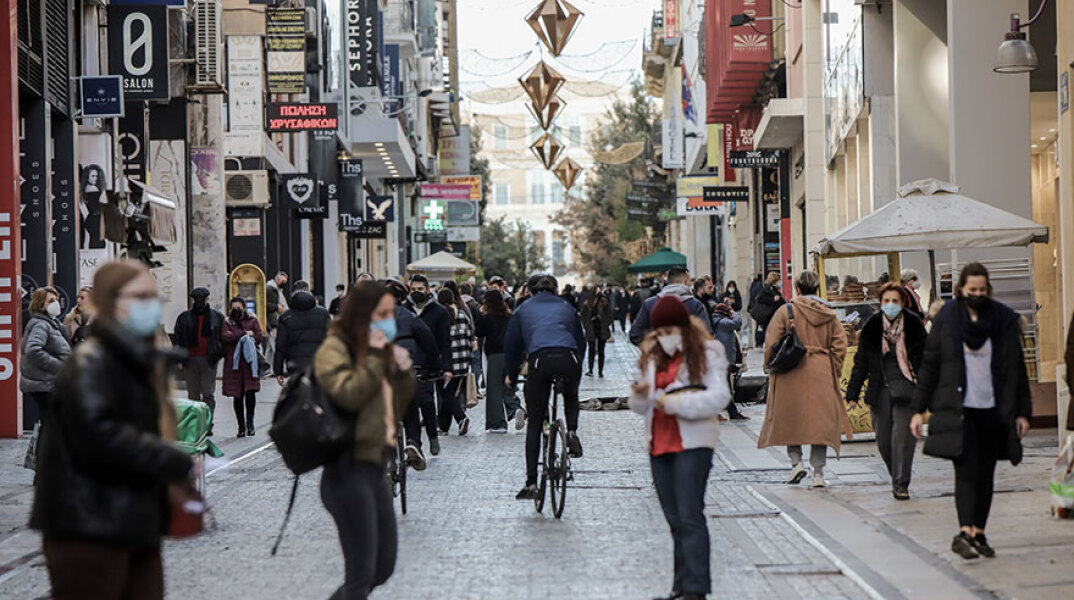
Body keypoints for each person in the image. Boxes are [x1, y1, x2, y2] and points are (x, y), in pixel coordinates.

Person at [31, 260, 195, 600]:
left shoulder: (133, 359)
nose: (149, 304)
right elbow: (99, 434)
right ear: (111, 301)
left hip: (134, 521)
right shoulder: (91, 361)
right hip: (88, 523)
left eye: (152, 296)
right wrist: (168, 459)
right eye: (139, 296)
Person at [909, 262, 1031, 560]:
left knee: (986, 473)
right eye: (971, 289)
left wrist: (1022, 412)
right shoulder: (948, 319)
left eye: (981, 289)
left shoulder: (1002, 320)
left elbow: (1017, 370)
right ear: (961, 289)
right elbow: (931, 365)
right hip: (957, 410)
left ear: (987, 289)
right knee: (965, 471)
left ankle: (978, 532)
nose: (976, 294)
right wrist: (917, 409)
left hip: (993, 410)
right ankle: (965, 531)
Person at [313, 281, 414, 600]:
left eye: (391, 313)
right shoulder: (335, 348)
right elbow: (348, 395)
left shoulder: (379, 348)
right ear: (363, 314)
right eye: (382, 313)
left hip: (375, 467)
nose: (390, 320)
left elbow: (398, 404)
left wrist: (402, 369)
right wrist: (374, 356)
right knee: (360, 575)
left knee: (383, 567)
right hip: (346, 470)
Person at [629, 296, 730, 600]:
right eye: (659, 332)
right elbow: (641, 405)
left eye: (669, 329)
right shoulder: (652, 354)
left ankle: (696, 589)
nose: (664, 336)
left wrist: (674, 403)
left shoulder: (708, 351)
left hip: (694, 440)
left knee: (689, 515)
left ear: (683, 326)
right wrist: (640, 396)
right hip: (659, 441)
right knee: (674, 519)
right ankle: (680, 586)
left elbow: (719, 397)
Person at [757, 271, 850, 488]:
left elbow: (771, 342)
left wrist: (768, 365)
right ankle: (818, 473)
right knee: (821, 424)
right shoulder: (829, 313)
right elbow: (840, 345)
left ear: (797, 289)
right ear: (817, 289)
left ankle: (796, 463)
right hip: (821, 370)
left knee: (792, 418)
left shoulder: (786, 311)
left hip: (791, 370)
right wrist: (833, 368)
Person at [504, 275, 586, 500]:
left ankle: (531, 482)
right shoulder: (567, 307)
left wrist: (511, 376)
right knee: (571, 394)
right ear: (556, 290)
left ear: (531, 291)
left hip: (540, 360)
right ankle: (571, 431)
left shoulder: (523, 309)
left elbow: (512, 345)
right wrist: (578, 362)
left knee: (535, 422)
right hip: (569, 358)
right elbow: (581, 340)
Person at [845, 282, 927, 500]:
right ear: (880, 303)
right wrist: (852, 393)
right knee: (883, 441)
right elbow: (861, 361)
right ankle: (896, 475)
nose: (891, 305)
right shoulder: (872, 326)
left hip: (908, 388)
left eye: (895, 301)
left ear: (902, 303)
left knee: (904, 438)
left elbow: (926, 361)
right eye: (886, 301)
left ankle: (901, 484)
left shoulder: (913, 324)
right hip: (880, 390)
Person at [385, 279, 439, 471]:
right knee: (410, 407)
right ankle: (414, 442)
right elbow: (429, 343)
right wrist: (433, 369)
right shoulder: (409, 316)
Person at [408, 275, 452, 455]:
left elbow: (445, 342)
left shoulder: (439, 312)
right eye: (413, 289)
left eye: (420, 289)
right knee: (408, 405)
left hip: (428, 365)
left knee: (426, 402)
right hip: (406, 362)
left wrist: (447, 367)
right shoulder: (403, 310)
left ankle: (433, 436)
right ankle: (415, 443)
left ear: (427, 290)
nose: (416, 292)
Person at [173, 288, 225, 432]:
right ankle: (196, 424)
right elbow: (177, 338)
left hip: (209, 360)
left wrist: (218, 352)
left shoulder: (216, 317)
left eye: (205, 299)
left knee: (208, 394)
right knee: (193, 395)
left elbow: (222, 337)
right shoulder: (184, 317)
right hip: (190, 361)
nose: (203, 302)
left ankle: (207, 423)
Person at [20, 287, 71, 429]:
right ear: (40, 304)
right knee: (52, 425)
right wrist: (59, 366)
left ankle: (45, 450)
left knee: (51, 424)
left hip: (48, 383)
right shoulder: (41, 325)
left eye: (56, 299)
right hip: (44, 384)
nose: (56, 304)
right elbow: (33, 350)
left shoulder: (51, 324)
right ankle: (45, 451)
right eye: (51, 301)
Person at [476, 290, 523, 433]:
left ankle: (497, 423)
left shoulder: (488, 318)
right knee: (508, 385)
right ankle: (515, 410)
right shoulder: (510, 316)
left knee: (494, 389)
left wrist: (480, 314)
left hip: (495, 355)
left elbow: (478, 332)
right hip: (511, 354)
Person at [630, 267, 713, 345]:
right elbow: (707, 334)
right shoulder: (695, 305)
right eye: (690, 281)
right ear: (684, 282)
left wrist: (653, 348)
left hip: (659, 358)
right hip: (688, 358)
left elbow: (635, 334)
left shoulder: (649, 304)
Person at [273, 281, 331, 385]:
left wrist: (278, 371)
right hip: (319, 362)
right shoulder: (323, 313)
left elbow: (280, 346)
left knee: (298, 394)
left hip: (295, 364)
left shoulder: (285, 317)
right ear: (309, 292)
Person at [221, 297, 263, 438]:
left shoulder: (252, 320)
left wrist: (240, 335)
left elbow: (258, 336)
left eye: (239, 307)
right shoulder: (227, 322)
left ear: (244, 307)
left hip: (250, 364)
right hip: (234, 364)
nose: (236, 310)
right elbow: (226, 337)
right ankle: (241, 426)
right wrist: (245, 333)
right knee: (237, 396)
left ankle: (250, 423)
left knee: (250, 394)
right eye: (234, 308)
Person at [436, 288, 473, 435]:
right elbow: (471, 336)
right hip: (462, 362)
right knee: (450, 393)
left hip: (446, 362)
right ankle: (443, 427)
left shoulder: (439, 315)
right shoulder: (463, 315)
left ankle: (461, 418)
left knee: (446, 394)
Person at [711, 303, 748, 421]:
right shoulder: (722, 323)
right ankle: (732, 413)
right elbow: (737, 323)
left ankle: (730, 412)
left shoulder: (716, 322)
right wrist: (734, 312)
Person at [580, 286, 613, 377]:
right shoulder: (587, 303)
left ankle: (600, 371)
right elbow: (583, 315)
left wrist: (606, 323)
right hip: (591, 328)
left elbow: (609, 314)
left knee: (601, 350)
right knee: (591, 349)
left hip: (601, 328)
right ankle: (590, 369)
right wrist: (586, 325)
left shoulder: (604, 302)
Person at [749, 272, 785, 348]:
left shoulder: (773, 290)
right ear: (775, 281)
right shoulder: (768, 289)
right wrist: (773, 299)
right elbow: (760, 298)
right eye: (779, 280)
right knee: (766, 330)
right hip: (767, 316)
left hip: (771, 315)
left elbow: (780, 301)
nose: (781, 282)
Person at [264, 271, 289, 375]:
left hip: (275, 321)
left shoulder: (276, 289)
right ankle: (281, 369)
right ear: (277, 279)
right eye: (283, 281)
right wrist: (277, 307)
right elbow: (265, 305)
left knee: (270, 348)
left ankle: (266, 368)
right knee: (277, 346)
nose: (284, 283)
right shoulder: (270, 289)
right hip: (272, 321)